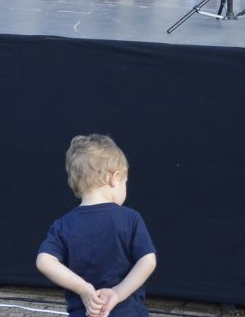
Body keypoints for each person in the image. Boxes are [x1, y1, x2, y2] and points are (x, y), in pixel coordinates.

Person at [36, 134, 157, 317]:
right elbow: (148, 261)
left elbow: (44, 261)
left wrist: (84, 288)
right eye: (125, 182)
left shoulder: (63, 225)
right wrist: (118, 293)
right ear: (115, 178)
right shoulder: (130, 218)